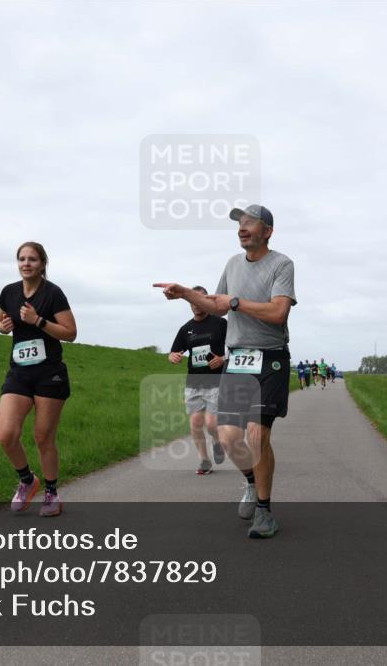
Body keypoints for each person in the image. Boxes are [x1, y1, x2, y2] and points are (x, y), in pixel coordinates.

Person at [155, 203, 295, 539]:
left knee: (256, 434)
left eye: (251, 223)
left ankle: (265, 511)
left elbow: (278, 313)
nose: (242, 227)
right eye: (240, 223)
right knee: (229, 436)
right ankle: (250, 482)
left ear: (267, 232)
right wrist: (186, 292)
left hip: (270, 359)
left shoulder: (282, 264)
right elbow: (217, 303)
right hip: (239, 360)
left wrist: (235, 302)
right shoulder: (232, 264)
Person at [0, 242, 77, 517]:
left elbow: (70, 332)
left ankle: (52, 493)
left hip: (49, 374)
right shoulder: (9, 292)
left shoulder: (53, 294)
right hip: (19, 372)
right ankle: (28, 480)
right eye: (21, 259)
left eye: (32, 259)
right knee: (6, 435)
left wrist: (38, 320)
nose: (26, 263)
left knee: (43, 438)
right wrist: (2, 327)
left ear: (43, 264)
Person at [168, 286, 228, 475]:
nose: (196, 305)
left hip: (216, 381)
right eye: (192, 302)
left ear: (207, 301)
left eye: (199, 300)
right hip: (194, 382)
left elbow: (237, 347)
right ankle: (204, 460)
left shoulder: (221, 323)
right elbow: (174, 352)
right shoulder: (186, 329)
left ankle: (217, 442)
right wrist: (173, 357)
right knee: (195, 423)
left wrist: (223, 359)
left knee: (211, 424)